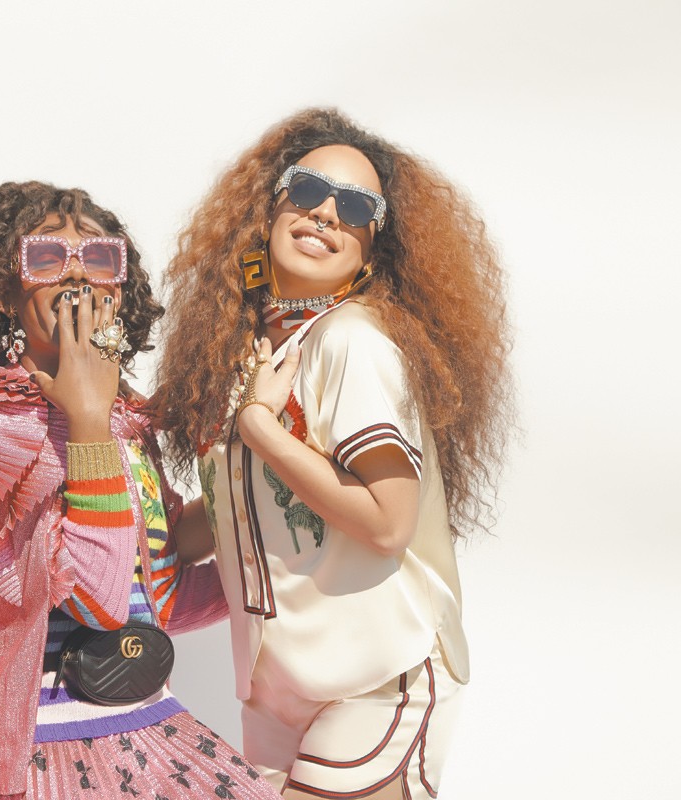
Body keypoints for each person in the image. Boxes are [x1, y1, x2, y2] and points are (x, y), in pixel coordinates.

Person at [153, 108, 513, 799]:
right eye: (308, 190)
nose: (324, 214)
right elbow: (236, 514)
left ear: (372, 251)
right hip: (279, 684)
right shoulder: (254, 350)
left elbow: (388, 522)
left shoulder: (352, 342)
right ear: (269, 208)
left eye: (354, 208)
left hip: (377, 675)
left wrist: (261, 429)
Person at [0, 181, 279, 800]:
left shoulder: (124, 421)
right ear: (4, 291)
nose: (76, 275)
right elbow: (97, 603)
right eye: (47, 256)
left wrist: (272, 517)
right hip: (42, 756)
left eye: (99, 258)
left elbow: (150, 601)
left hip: (145, 728)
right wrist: (87, 417)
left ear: (119, 291)